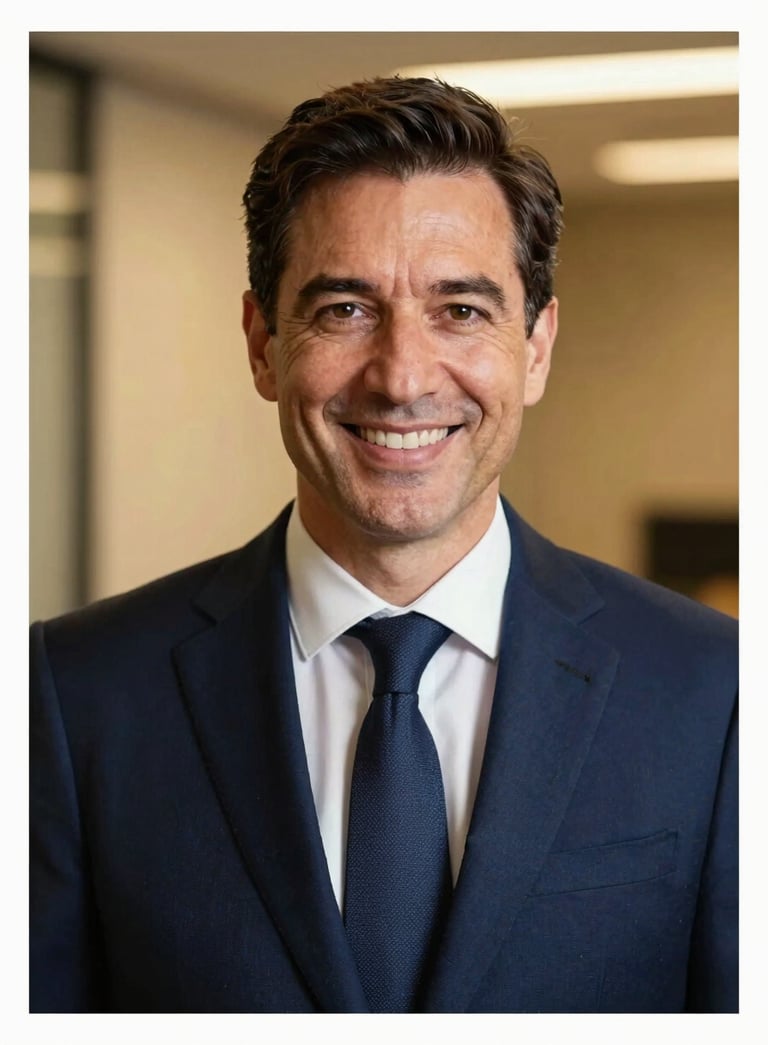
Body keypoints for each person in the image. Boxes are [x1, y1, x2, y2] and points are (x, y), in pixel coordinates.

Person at [30, 76, 737, 1014]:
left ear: (536, 348)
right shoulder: (73, 693)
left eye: (463, 310)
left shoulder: (714, 689)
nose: (403, 377)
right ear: (262, 344)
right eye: (344, 310)